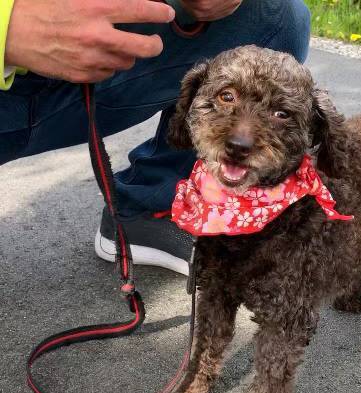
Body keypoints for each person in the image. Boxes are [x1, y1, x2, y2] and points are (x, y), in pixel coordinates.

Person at [0, 0, 311, 275]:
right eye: (227, 97)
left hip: (83, 56)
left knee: (276, 16)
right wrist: (10, 28)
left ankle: (153, 206)